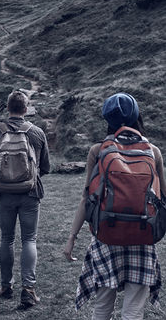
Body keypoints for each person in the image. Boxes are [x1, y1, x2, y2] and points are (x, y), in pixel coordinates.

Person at [64, 92, 166, 319]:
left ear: (107, 120)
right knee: (134, 308)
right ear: (137, 116)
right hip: (142, 236)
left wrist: (72, 237)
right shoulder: (153, 152)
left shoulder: (98, 151)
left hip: (106, 236)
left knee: (103, 305)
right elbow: (163, 199)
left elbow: (86, 198)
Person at [0, 90, 50, 308]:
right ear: (26, 109)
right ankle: (28, 289)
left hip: (3, 193)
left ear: (7, 107)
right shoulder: (36, 132)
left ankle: (5, 286)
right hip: (30, 194)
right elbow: (46, 167)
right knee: (29, 239)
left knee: (6, 239)